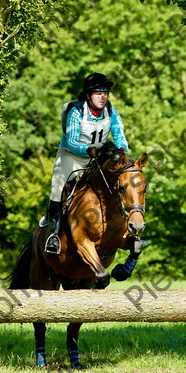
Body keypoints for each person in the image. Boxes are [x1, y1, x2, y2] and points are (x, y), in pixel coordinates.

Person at [44, 72, 128, 254]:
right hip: (72, 156)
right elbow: (72, 141)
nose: (103, 96)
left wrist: (122, 149)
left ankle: (125, 228)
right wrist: (88, 150)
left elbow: (119, 135)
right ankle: (54, 235)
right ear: (88, 95)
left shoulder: (111, 111)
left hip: (97, 158)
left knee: (120, 183)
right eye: (98, 93)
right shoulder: (76, 111)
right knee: (58, 187)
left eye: (105, 93)